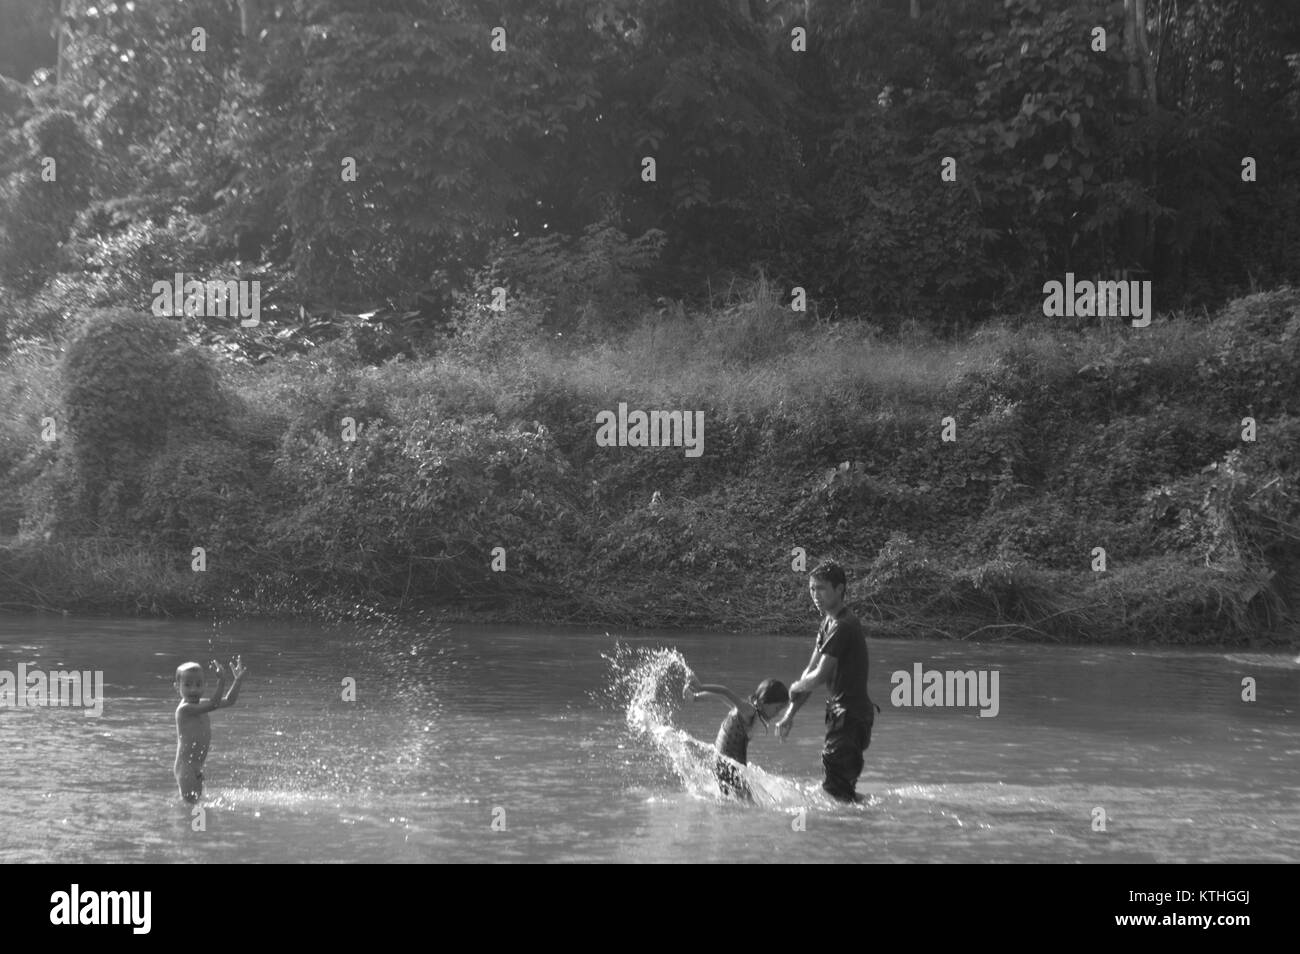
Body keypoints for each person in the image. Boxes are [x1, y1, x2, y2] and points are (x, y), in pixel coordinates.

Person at [774, 560, 879, 802]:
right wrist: (790, 714)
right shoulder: (828, 623)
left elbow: (818, 677)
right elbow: (809, 672)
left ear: (840, 589)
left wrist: (792, 688)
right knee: (841, 793)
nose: (815, 595)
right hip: (844, 717)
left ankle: (847, 833)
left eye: (821, 588)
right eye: (812, 589)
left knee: (837, 795)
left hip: (850, 718)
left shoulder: (843, 625)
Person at [685, 675, 790, 801]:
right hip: (727, 764)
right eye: (777, 708)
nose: (777, 713)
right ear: (763, 702)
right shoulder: (749, 710)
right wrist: (700, 687)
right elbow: (725, 692)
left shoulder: (749, 711)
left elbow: (721, 697)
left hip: (727, 762)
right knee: (746, 803)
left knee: (737, 801)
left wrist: (696, 698)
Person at [173, 656, 246, 802]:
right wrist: (221, 681)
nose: (193, 689)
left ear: (204, 686)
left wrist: (237, 681)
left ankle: (197, 825)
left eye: (198, 684)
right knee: (194, 807)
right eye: (187, 685)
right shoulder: (185, 709)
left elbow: (229, 701)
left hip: (196, 768)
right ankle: (195, 825)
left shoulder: (201, 704)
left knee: (196, 806)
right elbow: (214, 704)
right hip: (186, 770)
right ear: (177, 687)